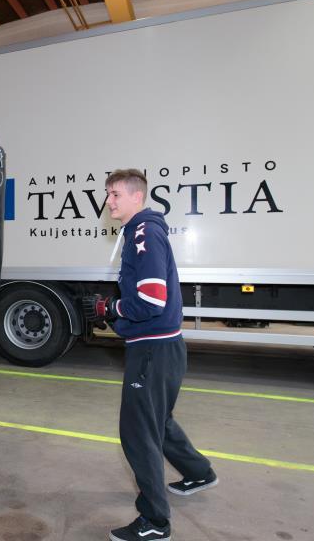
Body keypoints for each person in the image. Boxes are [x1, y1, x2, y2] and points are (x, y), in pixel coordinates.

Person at [82, 169, 217, 541]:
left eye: (114, 194)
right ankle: (200, 472)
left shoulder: (143, 232)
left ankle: (155, 522)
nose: (108, 201)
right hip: (165, 348)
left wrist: (112, 309)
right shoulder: (141, 230)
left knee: (138, 432)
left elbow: (152, 300)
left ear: (136, 197)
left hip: (153, 350)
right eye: (108, 194)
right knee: (159, 421)